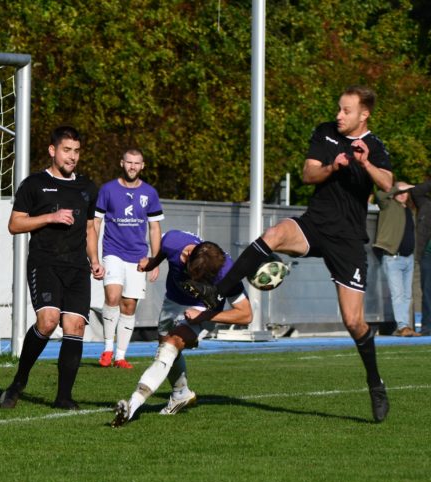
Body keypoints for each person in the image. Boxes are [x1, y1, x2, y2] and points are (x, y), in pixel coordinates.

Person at [183, 86, 393, 422]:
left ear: (363, 114)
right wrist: (334, 166)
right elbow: (309, 173)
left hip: (348, 241)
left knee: (354, 322)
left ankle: (375, 382)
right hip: (314, 225)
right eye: (338, 109)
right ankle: (216, 295)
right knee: (274, 233)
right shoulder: (325, 132)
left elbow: (387, 184)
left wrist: (364, 163)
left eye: (346, 111)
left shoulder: (376, 146)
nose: (339, 115)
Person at [0, 126, 105, 410]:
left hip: (77, 267)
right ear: (52, 150)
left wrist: (94, 259)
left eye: (77, 151)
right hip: (45, 262)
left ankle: (63, 397)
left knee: (75, 326)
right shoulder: (34, 184)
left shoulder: (86, 187)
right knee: (48, 321)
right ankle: (19, 381)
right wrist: (51, 216)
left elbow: (91, 228)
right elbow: (15, 224)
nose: (73, 157)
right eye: (67, 150)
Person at [111, 231, 252, 427]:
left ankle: (133, 405)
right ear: (186, 257)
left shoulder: (226, 271)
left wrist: (203, 315)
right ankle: (180, 394)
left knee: (170, 345)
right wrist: (151, 263)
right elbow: (162, 253)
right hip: (173, 301)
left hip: (204, 309)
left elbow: (245, 315)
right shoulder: (173, 241)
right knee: (165, 350)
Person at [94, 148, 163, 369]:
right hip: (112, 252)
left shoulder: (150, 193)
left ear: (142, 166)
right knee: (112, 297)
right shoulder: (107, 190)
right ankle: (106, 349)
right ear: (122, 163)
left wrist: (155, 260)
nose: (132, 166)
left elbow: (154, 228)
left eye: (137, 163)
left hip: (138, 257)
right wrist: (93, 257)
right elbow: (95, 223)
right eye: (129, 162)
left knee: (129, 305)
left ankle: (120, 356)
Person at [373, 182, 420, 337]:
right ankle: (402, 326)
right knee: (398, 294)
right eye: (400, 192)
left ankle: (405, 325)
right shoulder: (388, 204)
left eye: (405, 192)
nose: (402, 194)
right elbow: (379, 195)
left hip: (408, 259)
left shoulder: (409, 210)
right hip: (393, 258)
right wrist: (395, 188)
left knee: (407, 295)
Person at [405, 177, 431, 336]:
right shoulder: (427, 205)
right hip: (427, 255)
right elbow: (416, 191)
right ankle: (428, 325)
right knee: (427, 291)